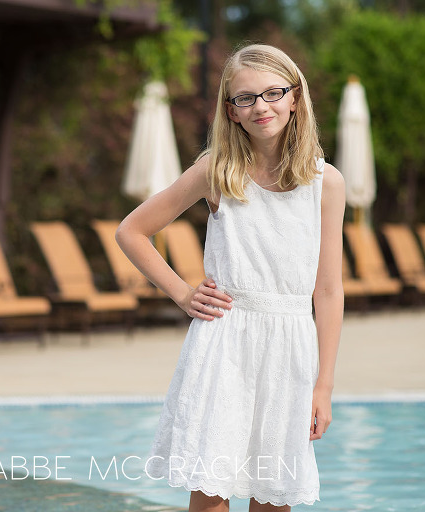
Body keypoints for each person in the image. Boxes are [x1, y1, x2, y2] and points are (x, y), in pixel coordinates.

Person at [115, 43, 345, 511]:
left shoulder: (327, 183)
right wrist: (181, 292)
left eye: (273, 93)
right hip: (225, 349)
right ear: (231, 111)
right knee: (211, 494)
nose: (261, 106)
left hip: (291, 353)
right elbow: (131, 231)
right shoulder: (217, 172)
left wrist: (324, 386)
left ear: (295, 97)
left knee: (274, 495)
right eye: (246, 98)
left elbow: (328, 290)